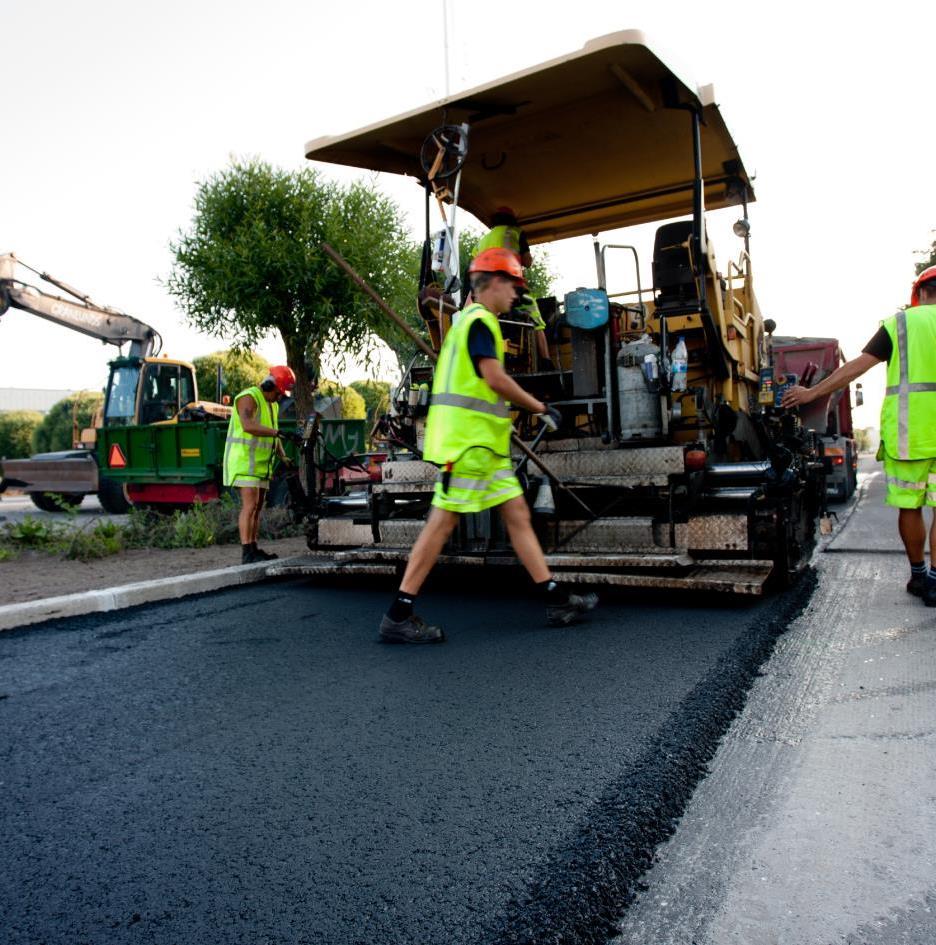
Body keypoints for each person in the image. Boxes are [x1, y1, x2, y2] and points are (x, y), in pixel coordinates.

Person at [378, 247, 598, 644]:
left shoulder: (467, 324)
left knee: (516, 515)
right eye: (513, 285)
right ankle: (398, 613)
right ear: (493, 283)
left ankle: (556, 598)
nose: (516, 294)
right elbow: (494, 378)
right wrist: (540, 407)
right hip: (468, 448)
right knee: (441, 526)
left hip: (485, 448)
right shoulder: (480, 324)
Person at [781, 265, 936, 606]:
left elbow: (857, 366)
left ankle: (920, 576)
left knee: (911, 507)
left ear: (921, 293)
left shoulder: (901, 323)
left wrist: (810, 393)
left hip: (910, 434)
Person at [223, 365, 301, 564]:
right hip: (244, 463)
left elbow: (273, 433)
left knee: (257, 507)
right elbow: (248, 426)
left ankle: (254, 548)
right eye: (279, 392)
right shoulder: (248, 397)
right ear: (270, 385)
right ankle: (246, 552)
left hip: (261, 465)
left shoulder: (272, 405)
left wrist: (283, 456)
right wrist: (278, 433)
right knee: (249, 507)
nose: (279, 397)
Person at [476, 206, 551, 365]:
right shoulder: (516, 233)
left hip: (487, 290)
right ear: (512, 221)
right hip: (511, 285)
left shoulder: (483, 240)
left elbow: (474, 264)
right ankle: (546, 361)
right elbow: (527, 262)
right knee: (536, 322)